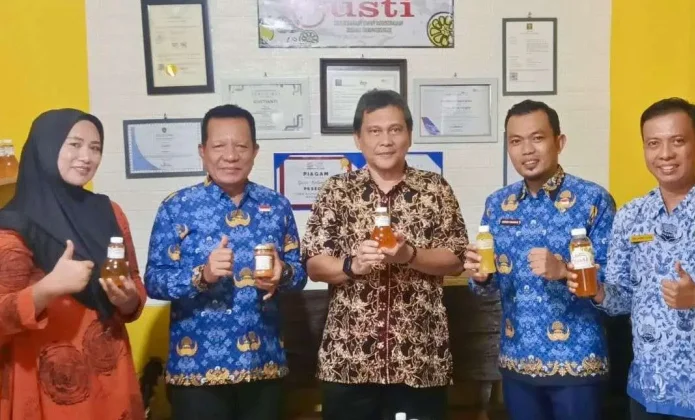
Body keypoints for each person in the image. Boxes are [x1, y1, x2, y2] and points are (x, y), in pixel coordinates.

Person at [567, 97, 695, 420]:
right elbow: (622, 299)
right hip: (648, 388)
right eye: (653, 143)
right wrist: (597, 290)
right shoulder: (631, 215)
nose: (665, 154)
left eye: (677, 141)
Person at [301, 89, 468, 420]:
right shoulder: (336, 191)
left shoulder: (435, 189)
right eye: (374, 131)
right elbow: (314, 264)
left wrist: (409, 255)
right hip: (348, 360)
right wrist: (353, 265)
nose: (386, 141)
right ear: (358, 139)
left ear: (409, 135)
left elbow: (456, 258)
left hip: (420, 359)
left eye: (395, 129)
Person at [144, 104, 306, 420]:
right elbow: (153, 281)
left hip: (263, 364)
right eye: (219, 146)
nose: (230, 156)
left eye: (241, 146)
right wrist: (201, 275)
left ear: (255, 151)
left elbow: (299, 273)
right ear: (202, 151)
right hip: (196, 370)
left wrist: (283, 273)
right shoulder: (177, 207)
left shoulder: (276, 206)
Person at [464, 100, 616, 420]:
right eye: (516, 141)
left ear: (559, 142)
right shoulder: (497, 204)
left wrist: (564, 270)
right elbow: (486, 287)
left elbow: (613, 284)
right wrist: (480, 277)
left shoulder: (593, 199)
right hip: (517, 359)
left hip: (577, 362)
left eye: (537, 138)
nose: (527, 150)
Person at [0, 109, 147, 419]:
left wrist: (129, 299)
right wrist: (47, 289)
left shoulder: (110, 212)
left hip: (110, 375)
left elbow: (133, 279)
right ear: (46, 145)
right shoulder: (13, 224)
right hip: (46, 382)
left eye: (95, 148)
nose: (86, 157)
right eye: (75, 144)